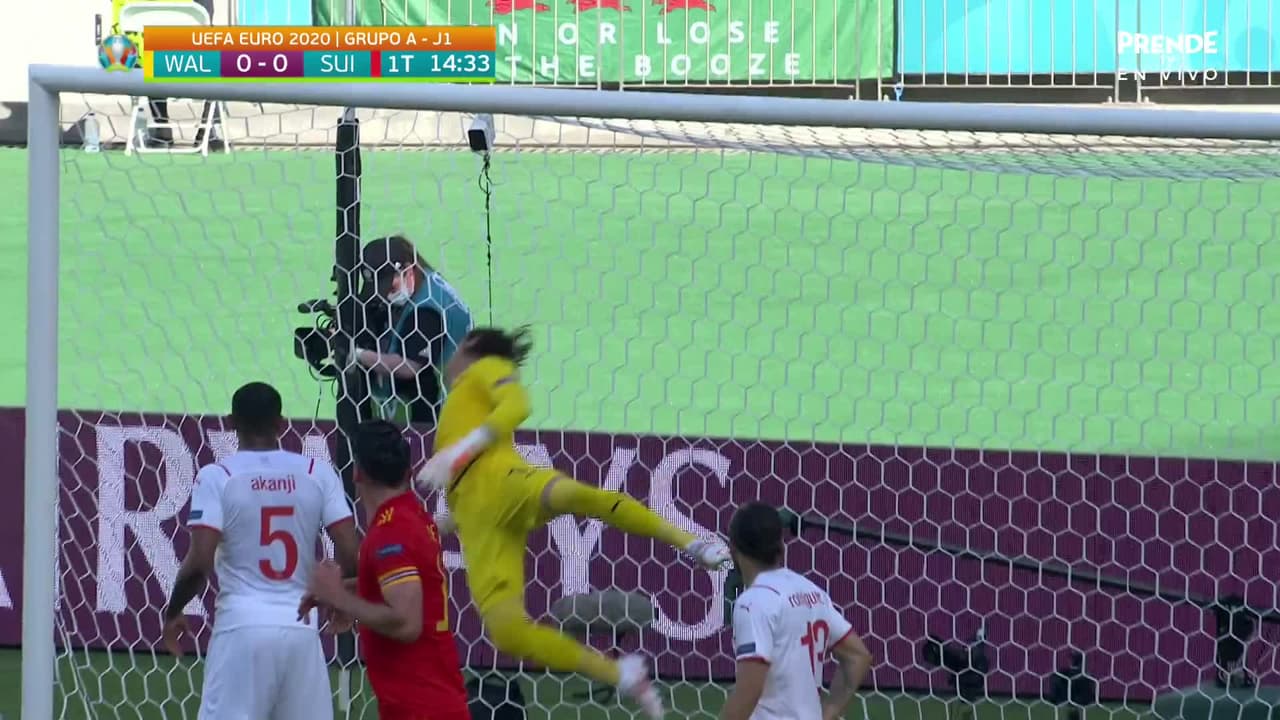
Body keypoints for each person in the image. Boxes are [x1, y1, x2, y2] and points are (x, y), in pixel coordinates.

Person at [415, 326, 732, 719]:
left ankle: (690, 542)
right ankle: (621, 673)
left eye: (456, 348)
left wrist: (461, 451)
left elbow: (516, 405)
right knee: (507, 632)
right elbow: (460, 498)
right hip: (481, 526)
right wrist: (435, 522)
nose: (449, 357)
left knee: (576, 497)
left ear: (471, 346)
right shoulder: (455, 407)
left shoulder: (487, 368)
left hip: (506, 482)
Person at [162, 381, 361, 720]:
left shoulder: (218, 476)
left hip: (242, 628)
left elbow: (199, 563)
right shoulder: (316, 472)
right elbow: (349, 549)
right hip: (301, 628)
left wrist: (174, 611)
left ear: (231, 423)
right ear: (281, 423)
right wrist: (344, 599)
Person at [300, 419, 470, 720]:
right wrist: (346, 592)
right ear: (408, 473)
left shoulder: (391, 533)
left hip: (420, 710)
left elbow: (406, 623)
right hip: (432, 703)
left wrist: (340, 597)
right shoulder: (413, 515)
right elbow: (408, 588)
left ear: (357, 473)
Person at [720, 503, 874, 720]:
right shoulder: (812, 592)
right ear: (781, 547)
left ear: (734, 550)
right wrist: (828, 713)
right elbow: (858, 656)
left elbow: (749, 691)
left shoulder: (753, 603)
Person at [353, 235, 473, 426]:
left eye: (390, 287)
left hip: (443, 420)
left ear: (408, 270)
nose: (385, 295)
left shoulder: (426, 313)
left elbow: (409, 367)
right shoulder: (425, 280)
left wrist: (358, 354)